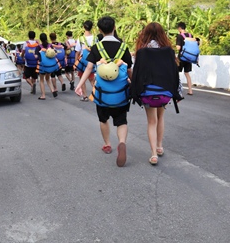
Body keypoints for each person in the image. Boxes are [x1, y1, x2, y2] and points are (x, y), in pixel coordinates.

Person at [75, 16, 133, 167]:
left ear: (99, 30)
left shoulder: (96, 47)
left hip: (102, 93)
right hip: (120, 93)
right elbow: (129, 69)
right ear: (114, 27)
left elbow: (88, 68)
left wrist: (79, 85)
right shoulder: (123, 47)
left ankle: (107, 144)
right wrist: (133, 83)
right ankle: (121, 142)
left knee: (103, 119)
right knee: (121, 120)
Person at [131, 22, 182, 166]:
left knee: (151, 121)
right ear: (162, 34)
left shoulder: (141, 52)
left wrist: (135, 93)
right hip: (164, 92)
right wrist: (177, 94)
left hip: (148, 92)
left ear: (145, 34)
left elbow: (137, 74)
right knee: (161, 117)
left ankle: (153, 154)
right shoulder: (168, 51)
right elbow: (174, 74)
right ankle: (160, 146)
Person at [75, 20, 97, 102]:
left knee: (82, 78)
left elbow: (77, 51)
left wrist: (75, 62)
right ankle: (96, 94)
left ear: (84, 27)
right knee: (92, 80)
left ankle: (84, 96)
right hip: (92, 61)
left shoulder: (80, 38)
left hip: (82, 62)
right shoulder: (95, 38)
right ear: (92, 27)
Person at [37, 33, 59, 99]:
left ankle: (43, 95)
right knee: (47, 78)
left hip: (43, 66)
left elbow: (36, 56)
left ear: (40, 39)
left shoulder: (38, 47)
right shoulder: (50, 45)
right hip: (50, 65)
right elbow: (55, 53)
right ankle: (52, 90)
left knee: (41, 80)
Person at [176, 22, 195, 95]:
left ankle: (176, 89)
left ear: (180, 28)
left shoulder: (180, 36)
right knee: (187, 73)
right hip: (189, 57)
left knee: (176, 73)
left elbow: (178, 47)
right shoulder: (190, 35)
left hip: (182, 57)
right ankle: (190, 90)